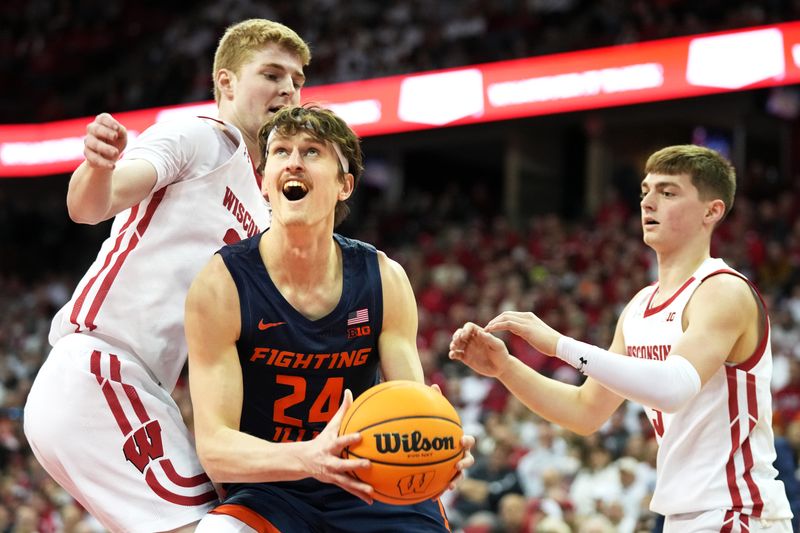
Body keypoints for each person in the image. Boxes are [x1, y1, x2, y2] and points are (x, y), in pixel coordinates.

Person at [23, 19, 310, 533]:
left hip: (141, 389)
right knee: (229, 527)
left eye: (296, 79)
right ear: (225, 83)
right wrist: (98, 165)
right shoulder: (200, 137)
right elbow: (92, 205)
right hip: (102, 370)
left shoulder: (265, 207)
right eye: (271, 73)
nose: (287, 88)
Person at [449, 145, 794, 532]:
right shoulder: (638, 307)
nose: (649, 202)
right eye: (646, 190)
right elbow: (585, 412)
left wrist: (559, 344)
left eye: (668, 192)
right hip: (683, 516)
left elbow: (675, 387)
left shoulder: (722, 290)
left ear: (712, 211)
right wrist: (505, 368)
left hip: (740, 512)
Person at [184, 105, 474, 532]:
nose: (294, 161)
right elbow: (215, 448)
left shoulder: (384, 279)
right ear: (264, 183)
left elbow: (410, 400)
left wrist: (440, 443)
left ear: (345, 185)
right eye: (281, 151)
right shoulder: (221, 285)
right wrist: (308, 459)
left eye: (313, 151)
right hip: (274, 488)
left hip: (371, 480)